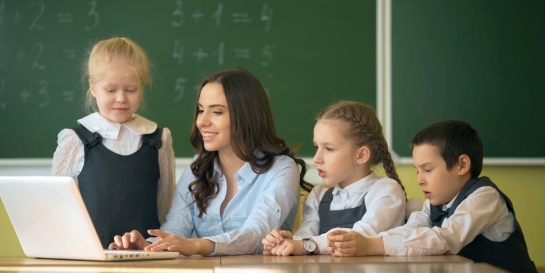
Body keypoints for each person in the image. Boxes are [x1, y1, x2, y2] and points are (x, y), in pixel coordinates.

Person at [109, 67, 313, 256]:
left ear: (247, 116)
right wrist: (149, 246)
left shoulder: (282, 169)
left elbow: (255, 234)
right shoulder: (198, 168)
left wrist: (196, 244)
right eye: (200, 109)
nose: (201, 122)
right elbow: (176, 227)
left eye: (216, 112)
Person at [327, 120, 542, 273]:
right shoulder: (437, 201)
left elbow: (445, 239)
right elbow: (412, 228)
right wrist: (365, 240)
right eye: (417, 170)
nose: (419, 180)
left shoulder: (484, 197)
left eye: (428, 169)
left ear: (462, 165)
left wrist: (373, 245)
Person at [52, 37, 175, 247]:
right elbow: (59, 205)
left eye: (131, 90)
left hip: (146, 256)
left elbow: (164, 204)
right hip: (92, 256)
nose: (121, 98)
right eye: (111, 90)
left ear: (142, 87)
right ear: (93, 88)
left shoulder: (158, 139)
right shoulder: (76, 140)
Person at [261, 101, 406, 256]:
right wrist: (285, 242)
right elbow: (306, 238)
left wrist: (305, 244)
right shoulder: (318, 196)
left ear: (361, 155)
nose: (317, 158)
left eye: (329, 149)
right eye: (317, 147)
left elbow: (359, 236)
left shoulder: (386, 191)